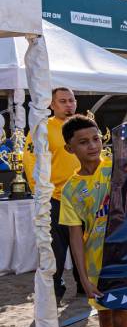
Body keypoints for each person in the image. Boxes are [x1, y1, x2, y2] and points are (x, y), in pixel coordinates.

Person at [59, 115, 127, 327]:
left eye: (96, 139)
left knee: (122, 318)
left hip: (124, 259)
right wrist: (84, 278)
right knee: (105, 319)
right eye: (83, 142)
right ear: (69, 149)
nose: (93, 146)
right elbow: (76, 237)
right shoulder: (71, 189)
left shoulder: (117, 170)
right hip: (95, 266)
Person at [22, 87, 83, 305]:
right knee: (55, 249)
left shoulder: (82, 126)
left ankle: (84, 288)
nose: (69, 105)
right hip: (55, 199)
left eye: (71, 100)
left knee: (84, 245)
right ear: (52, 105)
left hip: (83, 198)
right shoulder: (42, 129)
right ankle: (55, 292)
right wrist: (40, 193)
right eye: (63, 101)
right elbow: (30, 163)